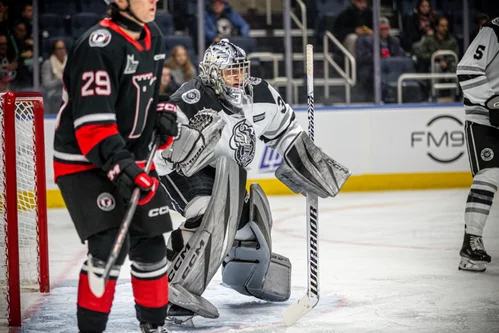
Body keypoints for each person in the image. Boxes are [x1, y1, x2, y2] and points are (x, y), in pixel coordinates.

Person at [154, 39, 350, 323]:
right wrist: (175, 148)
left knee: (249, 228)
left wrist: (309, 163)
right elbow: (160, 149)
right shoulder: (188, 100)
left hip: (226, 173)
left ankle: (244, 274)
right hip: (183, 172)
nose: (239, 78)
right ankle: (172, 278)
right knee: (210, 210)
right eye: (230, 72)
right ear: (211, 74)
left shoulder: (261, 93)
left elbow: (286, 132)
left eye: (241, 71)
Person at [53, 0, 182, 332]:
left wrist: (161, 113)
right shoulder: (97, 46)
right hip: (84, 161)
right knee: (108, 246)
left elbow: (145, 97)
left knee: (152, 243)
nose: (153, 0)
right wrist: (123, 168)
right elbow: (92, 126)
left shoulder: (153, 36)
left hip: (129, 156)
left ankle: (154, 326)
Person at [456, 17, 499, 272]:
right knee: (489, 174)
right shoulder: (494, 30)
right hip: (483, 119)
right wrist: (492, 101)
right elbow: (467, 69)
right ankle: (471, 243)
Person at [356, 17, 405, 102]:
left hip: (391, 68)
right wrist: (380, 57)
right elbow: (363, 57)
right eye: (382, 29)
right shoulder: (368, 40)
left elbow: (400, 54)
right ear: (377, 29)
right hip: (374, 68)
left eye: (386, 28)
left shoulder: (394, 41)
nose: (384, 31)